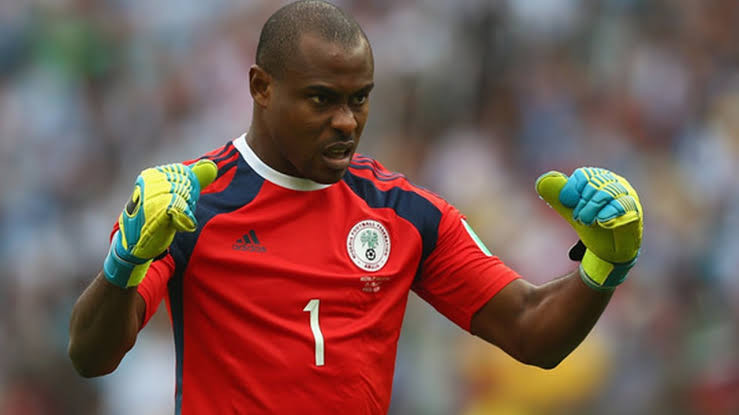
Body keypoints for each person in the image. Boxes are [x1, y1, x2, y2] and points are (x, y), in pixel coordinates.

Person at [68, 1, 643, 414]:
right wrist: (125, 263)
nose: (346, 122)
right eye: (322, 99)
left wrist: (604, 265)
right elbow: (91, 357)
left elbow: (530, 330)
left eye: (359, 99)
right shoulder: (188, 205)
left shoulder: (407, 214)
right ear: (261, 87)